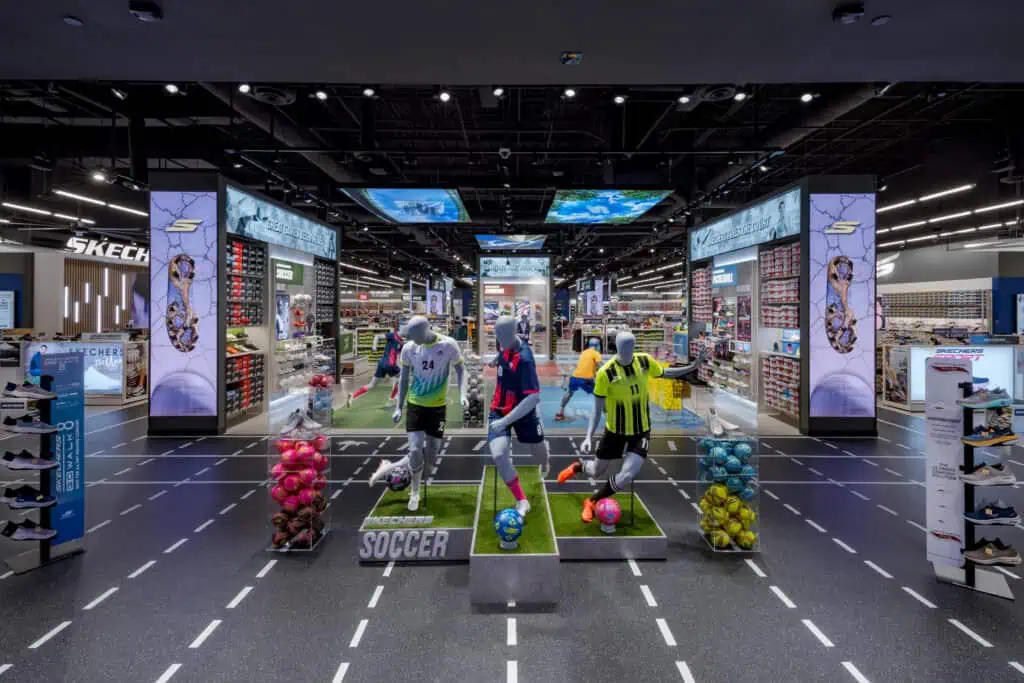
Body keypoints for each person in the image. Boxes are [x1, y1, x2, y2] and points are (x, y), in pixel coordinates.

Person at [557, 331, 707, 522]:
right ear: (617, 347)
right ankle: (578, 467)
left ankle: (593, 501)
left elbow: (665, 373)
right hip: (615, 431)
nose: (629, 349)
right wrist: (588, 437)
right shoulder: (606, 373)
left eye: (632, 345)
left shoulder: (644, 362)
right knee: (596, 470)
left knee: (627, 475)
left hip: (641, 430)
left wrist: (692, 366)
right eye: (625, 346)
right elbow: (596, 410)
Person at [368, 317, 468, 511]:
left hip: (437, 407)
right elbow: (404, 379)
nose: (410, 338)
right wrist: (399, 406)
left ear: (424, 331)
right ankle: (414, 493)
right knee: (415, 450)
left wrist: (463, 394)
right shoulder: (409, 348)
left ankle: (389, 467)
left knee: (429, 459)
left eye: (413, 334)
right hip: (415, 405)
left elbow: (461, 370)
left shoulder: (448, 345)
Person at [486, 315, 549, 517]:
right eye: (497, 334)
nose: (499, 338)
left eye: (503, 334)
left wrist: (505, 421)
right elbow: (504, 352)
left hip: (523, 412)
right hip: (498, 408)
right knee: (498, 454)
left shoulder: (525, 359)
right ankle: (521, 500)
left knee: (539, 455)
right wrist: (496, 360)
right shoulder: (503, 343)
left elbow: (534, 398)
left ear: (513, 333)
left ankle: (546, 459)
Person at [347, 324, 404, 406]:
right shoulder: (392, 335)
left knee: (372, 385)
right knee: (402, 377)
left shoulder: (401, 343)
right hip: (389, 364)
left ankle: (353, 396)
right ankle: (393, 397)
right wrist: (374, 345)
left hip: (382, 363)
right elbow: (377, 336)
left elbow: (397, 356)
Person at [554, 337, 602, 421]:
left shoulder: (583, 353)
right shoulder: (596, 354)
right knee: (600, 394)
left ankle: (560, 413)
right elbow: (602, 367)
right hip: (586, 380)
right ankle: (608, 416)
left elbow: (586, 366)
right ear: (598, 345)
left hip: (574, 377)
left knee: (570, 393)